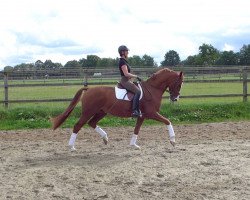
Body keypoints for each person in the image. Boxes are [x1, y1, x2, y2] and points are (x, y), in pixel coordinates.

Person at [118, 45, 142, 117]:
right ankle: (135, 111)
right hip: (125, 81)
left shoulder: (125, 61)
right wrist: (136, 76)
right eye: (126, 51)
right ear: (122, 52)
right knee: (138, 91)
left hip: (127, 80)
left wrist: (133, 79)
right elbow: (126, 74)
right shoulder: (122, 62)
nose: (127, 52)